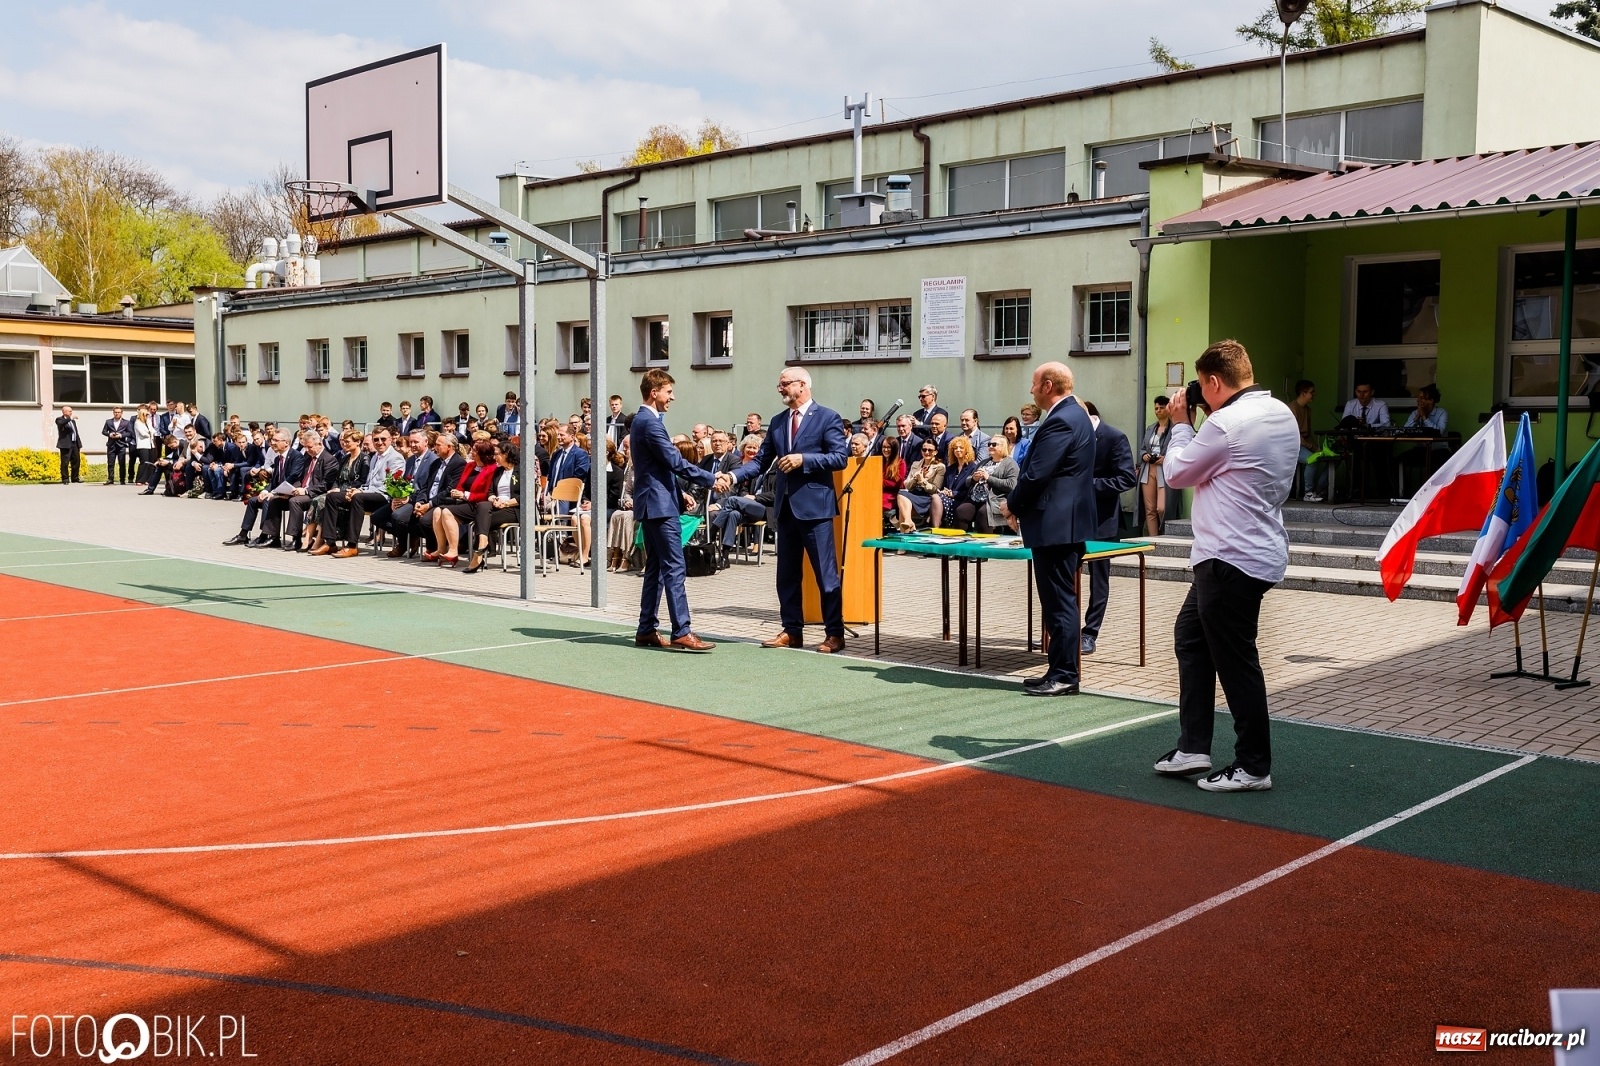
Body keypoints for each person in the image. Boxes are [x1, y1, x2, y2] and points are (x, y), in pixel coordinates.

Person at [1155, 339, 1299, 792]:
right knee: (1192, 638)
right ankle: (1193, 746)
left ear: (1215, 381)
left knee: (1236, 662)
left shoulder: (1225, 423)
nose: (1199, 395)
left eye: (1201, 387)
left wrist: (1181, 426)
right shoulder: (1280, 413)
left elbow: (1177, 474)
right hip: (1250, 550)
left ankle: (1254, 765)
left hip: (1228, 557)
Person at [719, 366, 851, 653]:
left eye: (784, 384)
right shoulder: (779, 422)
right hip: (785, 508)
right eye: (779, 384)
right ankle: (792, 630)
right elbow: (761, 461)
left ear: (802, 385)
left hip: (815, 509)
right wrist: (733, 476)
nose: (779, 389)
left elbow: (840, 457)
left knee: (825, 575)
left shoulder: (827, 417)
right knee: (787, 574)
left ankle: (834, 633)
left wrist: (805, 459)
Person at [1000, 362, 1097, 697]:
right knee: (1057, 602)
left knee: (1059, 603)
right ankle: (1057, 669)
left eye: (1034, 383)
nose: (1031, 389)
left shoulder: (1061, 419)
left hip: (1057, 525)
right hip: (1061, 524)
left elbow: (1037, 474)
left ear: (1049, 385)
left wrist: (1012, 504)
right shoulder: (1074, 415)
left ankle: (1066, 674)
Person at [630, 369, 718, 652]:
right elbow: (673, 461)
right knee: (674, 566)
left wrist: (678, 493)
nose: (673, 397)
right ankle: (682, 630)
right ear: (654, 392)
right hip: (658, 506)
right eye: (668, 392)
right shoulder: (650, 422)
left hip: (656, 502)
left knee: (656, 567)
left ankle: (646, 629)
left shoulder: (643, 420)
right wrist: (711, 478)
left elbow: (657, 467)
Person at [1080, 400, 1137, 656]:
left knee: (1099, 579)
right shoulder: (1075, 437)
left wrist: (1089, 485)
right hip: (1072, 519)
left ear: (1090, 417)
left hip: (1102, 520)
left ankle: (1090, 633)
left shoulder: (1114, 437)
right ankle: (1062, 630)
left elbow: (1127, 478)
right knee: (1063, 575)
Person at [1139, 395, 1175, 533]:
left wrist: (1166, 458)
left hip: (1164, 469)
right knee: (1150, 509)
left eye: (1161, 407)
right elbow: (1143, 448)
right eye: (1156, 408)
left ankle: (1164, 535)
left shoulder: (1174, 429)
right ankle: (1153, 540)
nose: (1158, 410)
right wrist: (1144, 455)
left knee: (1162, 508)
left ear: (1168, 408)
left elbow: (1179, 449)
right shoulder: (1150, 428)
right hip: (1148, 469)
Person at [1290, 381, 1328, 503]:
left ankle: (1320, 489)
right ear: (1303, 393)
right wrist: (1311, 447)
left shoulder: (1308, 410)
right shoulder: (1291, 409)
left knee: (1325, 458)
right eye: (1311, 392)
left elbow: (1308, 434)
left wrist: (1317, 448)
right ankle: (1308, 493)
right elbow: (1294, 435)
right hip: (1292, 445)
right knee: (1313, 459)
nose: (1314, 395)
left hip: (1303, 443)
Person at [895, 440, 945, 532]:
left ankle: (905, 533)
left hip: (927, 496)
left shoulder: (940, 467)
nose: (926, 452)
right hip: (913, 494)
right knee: (901, 494)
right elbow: (907, 485)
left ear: (935, 452)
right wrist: (915, 478)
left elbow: (935, 489)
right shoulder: (915, 464)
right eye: (924, 449)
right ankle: (908, 522)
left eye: (930, 450)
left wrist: (922, 481)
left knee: (903, 507)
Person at [972, 436, 1019, 533]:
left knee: (983, 513)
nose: (990, 446)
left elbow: (1011, 485)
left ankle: (985, 545)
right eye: (989, 444)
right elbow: (968, 480)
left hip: (996, 499)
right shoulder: (984, 462)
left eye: (994, 444)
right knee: (961, 511)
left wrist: (988, 478)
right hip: (976, 498)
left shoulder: (1010, 464)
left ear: (1003, 447)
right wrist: (973, 478)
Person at [933, 435, 978, 529]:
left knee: (936, 498)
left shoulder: (973, 467)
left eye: (961, 447)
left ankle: (937, 527)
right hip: (947, 498)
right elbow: (944, 486)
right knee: (935, 497)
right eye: (955, 448)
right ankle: (936, 528)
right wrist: (944, 491)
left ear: (967, 450)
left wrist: (954, 494)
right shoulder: (950, 468)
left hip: (963, 500)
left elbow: (971, 491)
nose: (958, 450)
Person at [101, 406, 133, 485]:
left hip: (121, 445)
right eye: (115, 412)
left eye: (118, 412)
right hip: (111, 445)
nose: (117, 414)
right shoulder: (109, 422)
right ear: (113, 413)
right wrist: (109, 434)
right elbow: (104, 431)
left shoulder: (126, 422)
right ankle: (110, 479)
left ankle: (122, 479)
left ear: (121, 413)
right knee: (110, 463)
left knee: (122, 463)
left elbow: (130, 433)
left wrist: (121, 435)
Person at [54, 406, 82, 484]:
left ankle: (75, 478)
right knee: (65, 462)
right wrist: (70, 418)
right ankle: (65, 478)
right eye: (69, 411)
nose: (71, 413)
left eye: (71, 411)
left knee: (76, 461)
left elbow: (75, 432)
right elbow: (61, 423)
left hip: (74, 443)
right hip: (65, 444)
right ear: (64, 412)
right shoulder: (59, 419)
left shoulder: (72, 421)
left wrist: (78, 443)